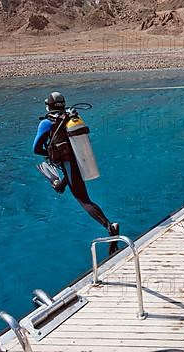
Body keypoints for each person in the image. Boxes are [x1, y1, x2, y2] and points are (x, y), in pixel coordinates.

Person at [33, 92, 120, 254]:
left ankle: (110, 227)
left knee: (83, 199)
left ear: (49, 105)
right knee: (64, 186)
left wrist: (50, 153)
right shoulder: (70, 117)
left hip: (69, 164)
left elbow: (36, 149)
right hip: (80, 160)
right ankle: (59, 185)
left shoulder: (47, 122)